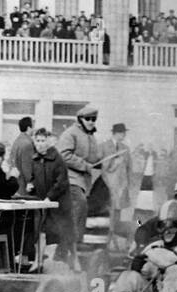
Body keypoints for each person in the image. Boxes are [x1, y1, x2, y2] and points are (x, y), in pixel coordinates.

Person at [57, 104, 105, 264]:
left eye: (94, 119)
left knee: (77, 212)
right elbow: (64, 155)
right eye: (88, 119)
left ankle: (63, 250)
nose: (91, 122)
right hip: (70, 180)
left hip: (84, 182)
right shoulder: (70, 134)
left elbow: (91, 158)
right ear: (80, 119)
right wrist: (84, 165)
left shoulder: (91, 136)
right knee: (80, 206)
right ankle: (74, 245)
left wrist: (100, 162)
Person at [21, 128, 71, 262]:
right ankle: (39, 261)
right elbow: (33, 177)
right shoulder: (35, 159)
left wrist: (50, 197)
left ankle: (57, 263)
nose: (40, 144)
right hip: (44, 202)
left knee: (55, 232)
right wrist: (30, 185)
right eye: (37, 141)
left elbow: (61, 182)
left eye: (43, 141)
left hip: (58, 203)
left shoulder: (57, 159)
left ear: (48, 142)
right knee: (41, 231)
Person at [100, 122, 132, 227]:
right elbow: (101, 166)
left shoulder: (125, 148)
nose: (124, 135)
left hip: (121, 185)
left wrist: (127, 183)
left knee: (119, 209)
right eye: (123, 133)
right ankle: (108, 230)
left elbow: (129, 167)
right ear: (116, 133)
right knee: (109, 209)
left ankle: (116, 230)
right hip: (108, 184)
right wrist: (115, 163)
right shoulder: (104, 146)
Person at [8, 117, 35, 191]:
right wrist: (31, 181)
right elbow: (27, 165)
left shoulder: (17, 141)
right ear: (29, 128)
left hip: (16, 181)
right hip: (23, 184)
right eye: (33, 126)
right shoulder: (28, 144)